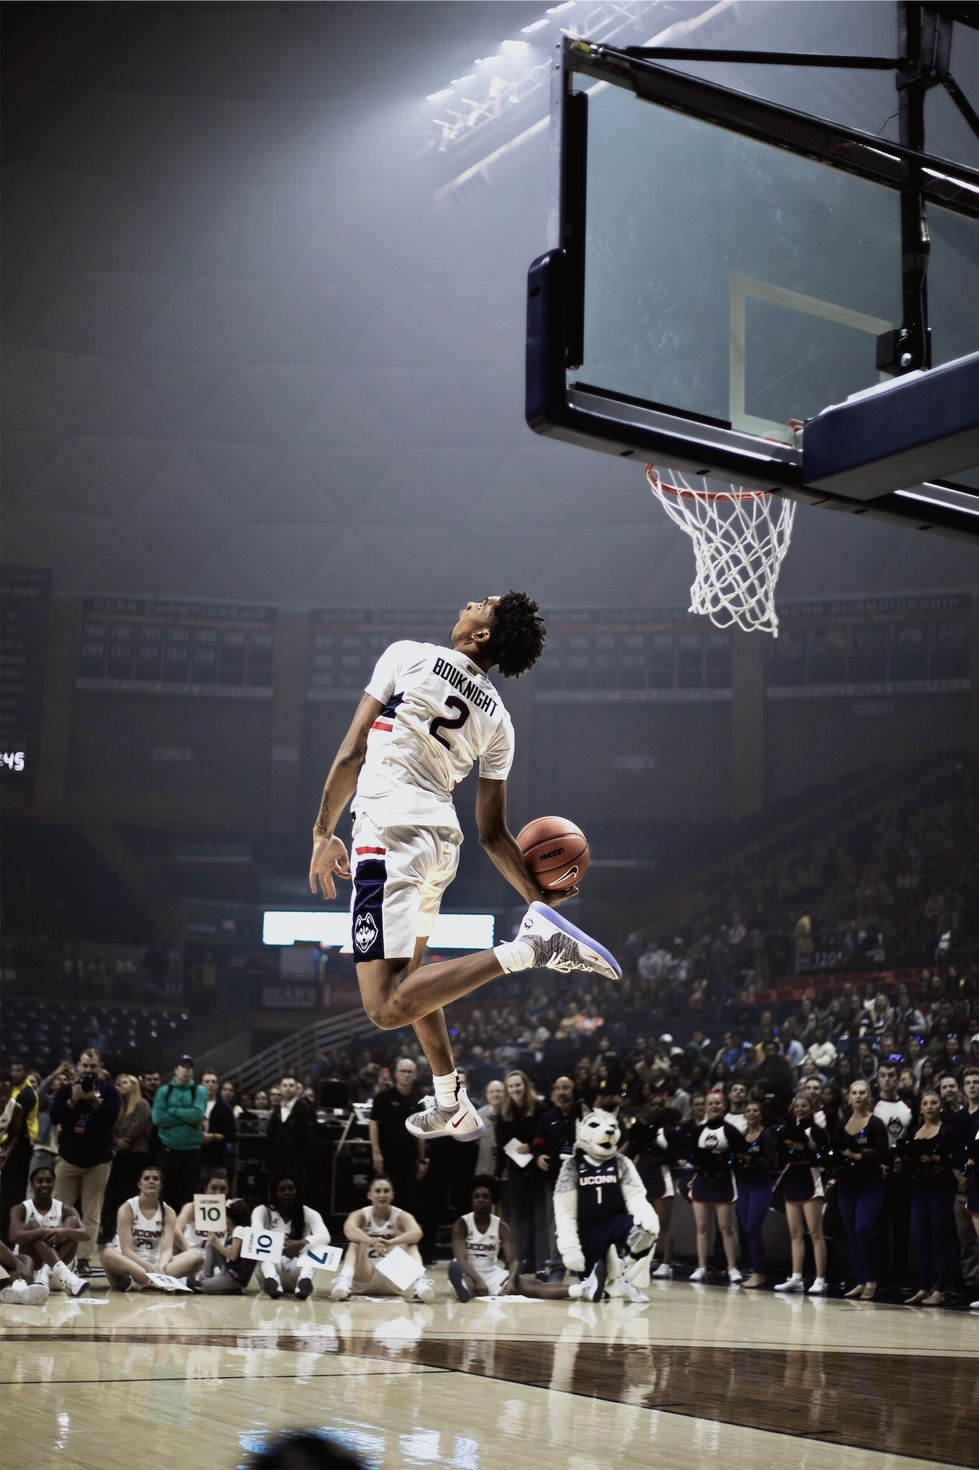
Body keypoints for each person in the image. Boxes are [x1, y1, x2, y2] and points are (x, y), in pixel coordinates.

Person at [307, 592, 621, 1142]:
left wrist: (322, 833)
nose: (469, 602)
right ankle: (450, 1097)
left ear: (481, 636)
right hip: (439, 842)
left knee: (384, 1007)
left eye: (483, 604)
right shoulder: (500, 720)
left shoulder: (407, 656)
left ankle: (525, 951)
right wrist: (539, 901)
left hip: (387, 832)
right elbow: (493, 834)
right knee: (416, 983)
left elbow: (352, 752)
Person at [448, 1175, 604, 1302]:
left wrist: (512, 1280)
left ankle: (584, 1290)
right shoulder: (461, 1224)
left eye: (485, 1197)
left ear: (493, 1199)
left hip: (491, 1273)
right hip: (466, 1272)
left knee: (533, 1286)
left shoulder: (501, 1226)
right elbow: (461, 1258)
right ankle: (463, 1289)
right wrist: (477, 1280)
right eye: (477, 1197)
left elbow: (514, 1260)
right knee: (465, 1283)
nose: (481, 1200)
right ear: (471, 1201)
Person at [49, 1048, 121, 1274]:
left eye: (93, 1066)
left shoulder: (109, 1090)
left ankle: (83, 1260)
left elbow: (112, 1117)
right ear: (78, 1066)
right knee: (59, 1210)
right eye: (85, 1066)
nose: (89, 1070)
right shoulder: (65, 1090)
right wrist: (73, 1100)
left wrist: (94, 1101)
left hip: (98, 1162)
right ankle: (55, 1256)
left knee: (92, 1214)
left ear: (100, 1067)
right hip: (69, 1159)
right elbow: (55, 1117)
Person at [330, 1175, 434, 1303]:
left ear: (392, 1195)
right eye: (377, 1191)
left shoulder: (401, 1216)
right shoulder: (361, 1214)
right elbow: (348, 1230)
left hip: (394, 1277)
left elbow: (417, 1233)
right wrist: (371, 1241)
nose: (382, 1195)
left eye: (386, 1191)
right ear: (370, 1195)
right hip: (364, 1275)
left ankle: (420, 1284)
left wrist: (390, 1242)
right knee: (355, 1242)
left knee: (411, 1243)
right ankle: (344, 1281)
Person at [100, 1164, 203, 1291]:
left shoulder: (168, 1211)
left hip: (156, 1264)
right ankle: (162, 1282)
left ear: (161, 1185)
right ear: (139, 1184)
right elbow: (126, 1250)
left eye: (155, 1179)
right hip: (131, 1262)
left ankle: (140, 1282)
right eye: (147, 1178)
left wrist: (161, 1266)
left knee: (197, 1256)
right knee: (107, 1253)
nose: (151, 1181)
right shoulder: (127, 1208)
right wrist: (146, 1266)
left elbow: (166, 1250)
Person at [902, 1090, 959, 1307]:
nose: (930, 1106)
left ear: (940, 1106)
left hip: (941, 1188)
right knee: (921, 1238)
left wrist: (936, 1158)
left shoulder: (948, 1130)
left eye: (934, 1102)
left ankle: (941, 1288)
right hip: (919, 1188)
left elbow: (955, 1159)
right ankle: (924, 1287)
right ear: (921, 1108)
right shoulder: (915, 1131)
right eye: (926, 1103)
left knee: (941, 1239)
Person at [685, 1089, 747, 1284]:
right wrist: (702, 1162)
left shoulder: (730, 1131)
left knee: (726, 1228)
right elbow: (691, 1155)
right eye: (710, 1103)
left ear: (724, 1106)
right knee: (702, 1227)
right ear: (706, 1106)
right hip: (703, 1182)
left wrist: (724, 1163)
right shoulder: (698, 1131)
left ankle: (732, 1267)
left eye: (718, 1103)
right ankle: (701, 1267)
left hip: (724, 1183)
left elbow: (741, 1155)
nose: (714, 1107)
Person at [835, 1079, 889, 1300]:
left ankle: (872, 1279)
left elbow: (883, 1154)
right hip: (847, 1184)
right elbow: (835, 1150)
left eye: (862, 1093)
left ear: (869, 1097)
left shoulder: (875, 1123)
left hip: (870, 1183)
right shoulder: (841, 1123)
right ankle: (859, 1279)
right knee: (851, 1233)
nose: (858, 1096)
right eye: (854, 1092)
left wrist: (858, 1155)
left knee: (863, 1228)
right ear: (849, 1097)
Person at [772, 1092, 830, 1295]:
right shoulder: (788, 1130)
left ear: (812, 1108)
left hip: (810, 1181)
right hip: (793, 1180)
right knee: (795, 1233)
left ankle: (821, 1279)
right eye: (797, 1106)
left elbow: (825, 1157)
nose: (800, 1109)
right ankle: (796, 1277)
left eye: (804, 1106)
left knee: (815, 1233)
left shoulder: (817, 1131)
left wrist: (804, 1152)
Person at [494, 1069, 548, 1276]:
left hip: (538, 1170)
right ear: (507, 1090)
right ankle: (515, 1261)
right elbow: (501, 1146)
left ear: (525, 1086)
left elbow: (545, 1138)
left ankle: (539, 1262)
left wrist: (532, 1147)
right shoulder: (503, 1113)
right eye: (511, 1086)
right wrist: (497, 1175)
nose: (515, 1089)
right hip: (515, 1169)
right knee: (516, 1218)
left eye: (518, 1085)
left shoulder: (541, 1109)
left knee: (539, 1217)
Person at [7, 1164, 90, 1296]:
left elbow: (86, 1235)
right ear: (32, 1184)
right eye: (40, 1181)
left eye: (49, 1181)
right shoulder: (20, 1208)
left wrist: (64, 1232)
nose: (44, 1184)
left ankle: (46, 1271)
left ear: (54, 1183)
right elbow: (13, 1236)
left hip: (57, 1276)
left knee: (72, 1224)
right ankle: (54, 1273)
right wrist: (41, 1232)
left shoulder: (65, 1209)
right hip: (30, 1271)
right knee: (33, 1226)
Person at [251, 1174, 330, 1300]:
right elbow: (255, 1233)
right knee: (259, 1242)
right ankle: (272, 1280)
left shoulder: (308, 1212)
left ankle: (305, 1281)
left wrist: (301, 1243)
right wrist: (278, 1246)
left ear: (297, 1190)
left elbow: (326, 1237)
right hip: (270, 1269)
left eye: (290, 1188)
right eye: (282, 1189)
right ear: (274, 1192)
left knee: (318, 1247)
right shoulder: (262, 1211)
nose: (287, 1193)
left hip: (296, 1270)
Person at [873, 1059, 914, 1293]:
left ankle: (900, 1276)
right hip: (878, 1174)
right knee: (879, 1227)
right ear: (878, 1078)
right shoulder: (873, 1104)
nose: (887, 1079)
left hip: (902, 1174)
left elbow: (914, 1138)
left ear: (898, 1078)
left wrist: (904, 1161)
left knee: (901, 1228)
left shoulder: (909, 1106)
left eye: (891, 1075)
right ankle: (880, 1276)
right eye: (883, 1075)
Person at [368, 1059, 426, 1215]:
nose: (406, 1075)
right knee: (384, 1195)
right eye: (403, 1071)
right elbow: (373, 1124)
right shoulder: (382, 1097)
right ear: (396, 1074)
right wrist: (376, 1152)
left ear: (415, 1075)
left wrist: (422, 1160)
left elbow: (421, 1131)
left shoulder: (418, 1102)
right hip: (386, 1156)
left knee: (406, 1198)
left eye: (409, 1072)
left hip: (409, 1158)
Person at [152, 1054, 206, 1210]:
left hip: (192, 1151)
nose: (186, 1071)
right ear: (176, 1070)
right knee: (167, 1196)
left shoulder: (199, 1091)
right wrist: (188, 1118)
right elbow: (158, 1119)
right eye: (183, 1067)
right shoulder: (164, 1091)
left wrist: (173, 1110)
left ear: (193, 1072)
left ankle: (187, 1232)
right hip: (168, 1149)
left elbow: (197, 1114)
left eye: (189, 1068)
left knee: (190, 1197)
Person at [102, 1073, 153, 1237]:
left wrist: (125, 1141)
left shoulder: (142, 1104)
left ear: (133, 1086)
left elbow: (137, 1127)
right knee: (112, 1194)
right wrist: (116, 1142)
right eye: (118, 1083)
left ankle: (127, 1231)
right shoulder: (118, 1106)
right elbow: (110, 1127)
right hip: (119, 1155)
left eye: (124, 1083)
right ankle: (109, 1230)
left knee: (128, 1194)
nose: (119, 1085)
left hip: (135, 1156)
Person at [736, 1098, 776, 1288]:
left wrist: (749, 1159)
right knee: (747, 1230)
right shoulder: (743, 1135)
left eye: (755, 1110)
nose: (751, 1113)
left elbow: (770, 1163)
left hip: (760, 1185)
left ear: (761, 1115)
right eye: (748, 1110)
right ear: (744, 1115)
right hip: (744, 1185)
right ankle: (754, 1269)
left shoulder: (766, 1135)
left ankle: (759, 1272)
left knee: (753, 1228)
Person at [197, 1197, 255, 1294]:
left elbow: (232, 1256)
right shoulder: (234, 1231)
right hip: (228, 1269)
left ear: (231, 1218)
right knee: (211, 1246)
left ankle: (235, 1289)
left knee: (206, 1287)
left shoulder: (239, 1230)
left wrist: (216, 1242)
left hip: (235, 1276)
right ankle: (207, 1276)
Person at [199, 1068, 238, 1174]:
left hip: (217, 1159)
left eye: (213, 1082)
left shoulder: (225, 1108)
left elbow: (232, 1134)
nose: (210, 1084)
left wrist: (213, 1137)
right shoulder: (193, 1105)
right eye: (207, 1082)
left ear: (217, 1085)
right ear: (201, 1085)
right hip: (195, 1158)